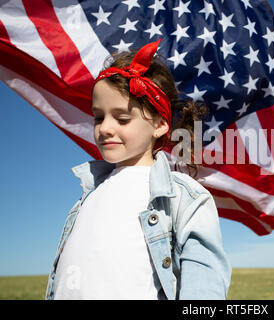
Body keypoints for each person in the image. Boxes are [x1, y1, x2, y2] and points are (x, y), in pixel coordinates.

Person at [44, 39, 231, 300]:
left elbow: (204, 279)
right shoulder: (88, 196)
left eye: (122, 118)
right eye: (99, 116)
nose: (105, 128)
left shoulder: (183, 197)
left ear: (160, 125)